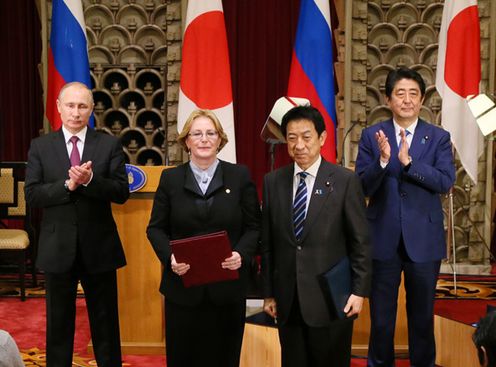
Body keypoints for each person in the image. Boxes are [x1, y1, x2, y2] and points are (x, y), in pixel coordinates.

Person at [355, 67, 456, 367]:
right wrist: (383, 161)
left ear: (422, 98)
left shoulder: (437, 137)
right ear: (388, 99)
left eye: (414, 94)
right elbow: (361, 185)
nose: (407, 100)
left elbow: (445, 181)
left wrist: (410, 164)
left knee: (422, 318)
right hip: (382, 239)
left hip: (423, 241)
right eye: (400, 93)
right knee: (382, 321)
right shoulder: (373, 136)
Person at [25, 82, 129, 367]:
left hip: (100, 248)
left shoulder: (108, 144)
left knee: (106, 325)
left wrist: (91, 181)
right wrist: (68, 185)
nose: (75, 112)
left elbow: (121, 193)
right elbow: (32, 194)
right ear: (58, 107)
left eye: (82, 106)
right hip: (57, 248)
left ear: (91, 110)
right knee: (58, 326)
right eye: (70, 105)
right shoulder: (41, 146)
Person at [146, 109, 261, 367]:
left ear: (220, 139)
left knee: (224, 358)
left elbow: (254, 226)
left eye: (211, 133)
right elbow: (155, 229)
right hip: (183, 289)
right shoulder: (170, 178)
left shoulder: (239, 176)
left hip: (227, 290)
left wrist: (241, 254)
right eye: (197, 133)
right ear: (186, 141)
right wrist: (170, 257)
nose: (204, 139)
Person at [261, 105, 371, 367]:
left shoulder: (345, 181)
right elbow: (268, 244)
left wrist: (359, 292)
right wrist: (269, 293)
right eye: (291, 137)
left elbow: (361, 242)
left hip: (332, 299)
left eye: (306, 136)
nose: (299, 145)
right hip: (288, 300)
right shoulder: (273, 182)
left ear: (322, 138)